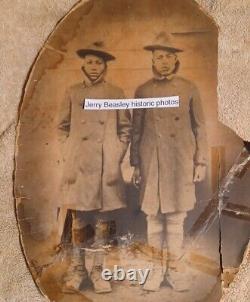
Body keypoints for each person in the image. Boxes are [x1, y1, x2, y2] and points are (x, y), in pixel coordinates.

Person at [130, 32, 207, 292]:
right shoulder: (143, 91)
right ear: (152, 58)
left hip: (180, 163)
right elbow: (136, 131)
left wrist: (200, 162)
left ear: (176, 60)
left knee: (175, 220)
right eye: (159, 56)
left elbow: (200, 129)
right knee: (153, 219)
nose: (164, 61)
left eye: (169, 56)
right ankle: (154, 271)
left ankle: (174, 270)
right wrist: (136, 164)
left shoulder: (188, 88)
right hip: (152, 164)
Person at [58, 41, 131, 294]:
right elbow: (62, 127)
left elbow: (125, 129)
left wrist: (115, 154)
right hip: (78, 167)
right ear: (83, 64)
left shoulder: (116, 93)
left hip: (105, 169)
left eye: (98, 62)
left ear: (105, 66)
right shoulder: (72, 92)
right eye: (89, 61)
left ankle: (99, 272)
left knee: (102, 222)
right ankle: (77, 270)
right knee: (79, 219)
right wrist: (69, 151)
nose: (93, 67)